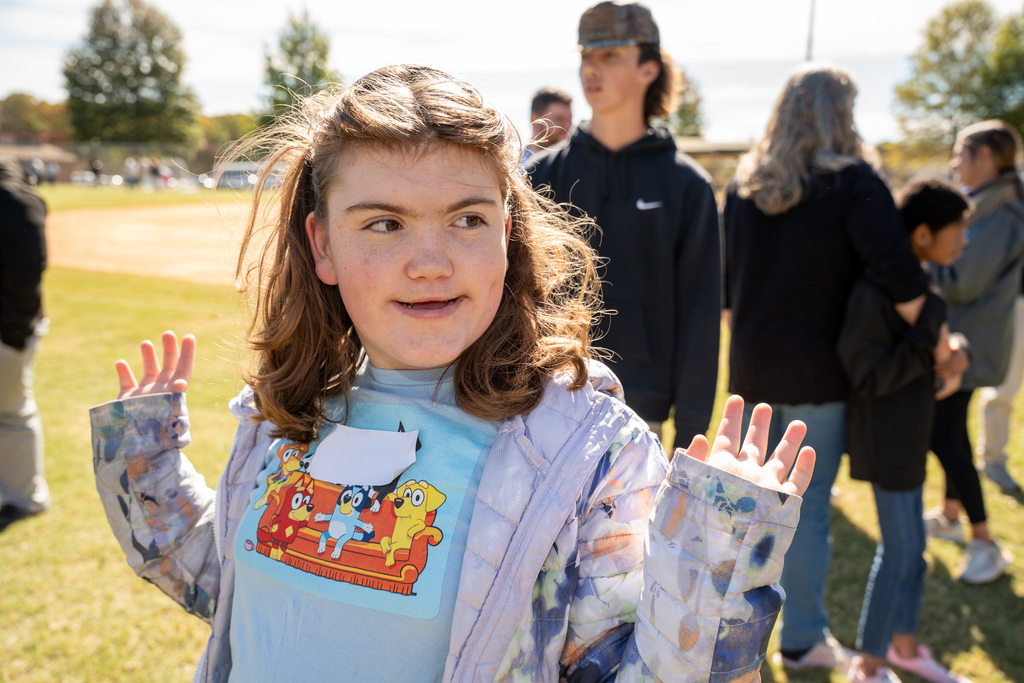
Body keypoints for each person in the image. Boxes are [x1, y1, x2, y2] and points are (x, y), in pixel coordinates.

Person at [89, 64, 816, 682]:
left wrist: (715, 557)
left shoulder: (586, 452)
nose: (430, 260)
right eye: (384, 223)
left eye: (467, 219)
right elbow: (221, 583)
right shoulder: (290, 411)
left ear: (508, 232)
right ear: (323, 245)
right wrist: (142, 465)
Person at [722, 64, 931, 673]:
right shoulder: (854, 184)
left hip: (755, 367)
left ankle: (743, 630)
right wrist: (937, 339)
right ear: (842, 114)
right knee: (805, 511)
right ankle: (802, 639)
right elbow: (901, 275)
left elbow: (729, 293)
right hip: (821, 373)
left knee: (758, 506)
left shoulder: (743, 186)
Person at [527, 1, 720, 447]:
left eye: (610, 55)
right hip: (544, 405)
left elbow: (701, 315)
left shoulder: (687, 185)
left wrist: (691, 436)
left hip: (641, 416)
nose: (592, 69)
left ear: (648, 68)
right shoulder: (540, 176)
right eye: (586, 57)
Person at [838, 176, 973, 683]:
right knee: (899, 552)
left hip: (910, 433)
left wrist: (948, 352)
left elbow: (928, 348)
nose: (964, 239)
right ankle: (869, 665)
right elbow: (868, 374)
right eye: (958, 229)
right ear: (921, 234)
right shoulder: (877, 290)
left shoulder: (916, 284)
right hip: (887, 437)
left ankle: (905, 647)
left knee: (913, 551)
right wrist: (929, 341)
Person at [924, 120, 1022, 584]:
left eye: (962, 151)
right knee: (952, 429)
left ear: (986, 156)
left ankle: (984, 541)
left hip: (973, 343)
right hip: (965, 337)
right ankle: (948, 515)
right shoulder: (987, 205)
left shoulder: (1001, 213)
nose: (954, 161)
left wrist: (916, 254)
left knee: (944, 436)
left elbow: (963, 280)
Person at [0, 156, 50, 531]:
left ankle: (24, 497)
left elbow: (27, 273)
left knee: (13, 414)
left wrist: (14, 335)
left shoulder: (15, 201)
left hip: (7, 333)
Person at [519, 87, 573, 168]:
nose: (567, 126)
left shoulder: (577, 163)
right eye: (559, 119)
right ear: (535, 119)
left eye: (569, 119)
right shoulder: (511, 164)